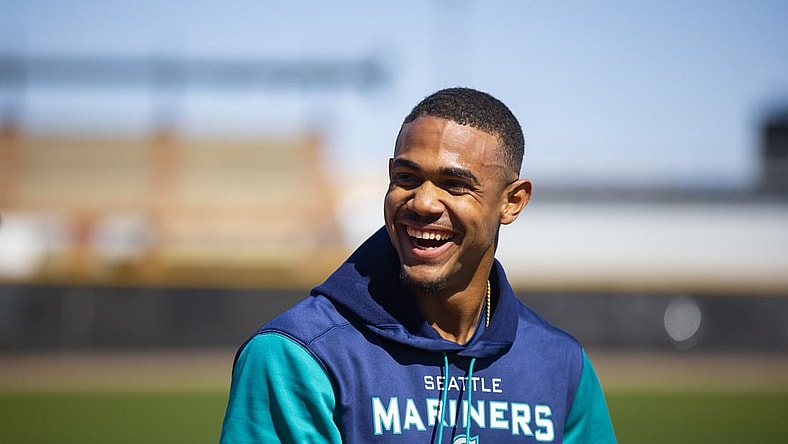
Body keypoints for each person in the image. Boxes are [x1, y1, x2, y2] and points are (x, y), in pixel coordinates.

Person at [219, 87, 617, 443]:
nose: (423, 203)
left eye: (455, 185)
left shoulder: (561, 364)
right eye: (407, 178)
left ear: (512, 202)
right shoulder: (297, 354)